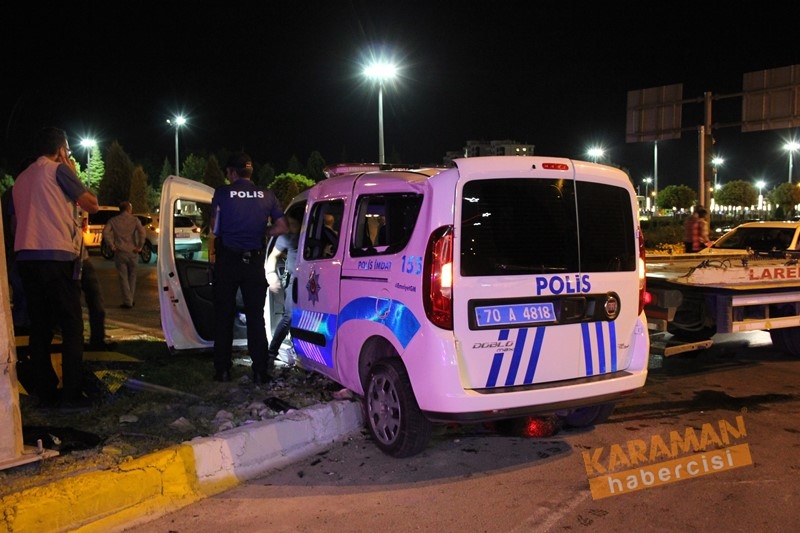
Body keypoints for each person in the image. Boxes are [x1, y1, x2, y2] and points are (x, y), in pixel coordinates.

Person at [12, 126, 99, 409]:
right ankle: (71, 394)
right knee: (72, 325)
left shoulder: (22, 178)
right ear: (62, 150)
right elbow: (92, 204)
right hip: (56, 256)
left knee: (41, 326)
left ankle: (45, 390)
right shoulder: (58, 171)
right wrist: (71, 170)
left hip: (26, 258)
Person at [210, 152, 288, 384]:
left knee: (223, 316)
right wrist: (263, 232)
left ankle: (223, 371)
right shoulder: (267, 194)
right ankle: (259, 371)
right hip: (253, 262)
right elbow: (282, 226)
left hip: (228, 261)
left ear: (233, 172)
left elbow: (214, 228)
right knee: (256, 318)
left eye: (227, 173)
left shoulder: (223, 193)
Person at [266, 212, 300, 372]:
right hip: (295, 281)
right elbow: (272, 257)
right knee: (289, 317)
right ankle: (271, 354)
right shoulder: (287, 237)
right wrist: (271, 276)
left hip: (310, 280)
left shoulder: (309, 234)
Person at [103, 200, 146, 308]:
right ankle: (129, 300)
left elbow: (105, 232)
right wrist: (140, 246)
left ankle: (128, 301)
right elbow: (142, 233)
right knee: (132, 276)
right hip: (133, 251)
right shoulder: (135, 220)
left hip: (120, 251)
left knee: (123, 277)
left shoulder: (114, 220)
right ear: (128, 209)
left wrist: (111, 245)